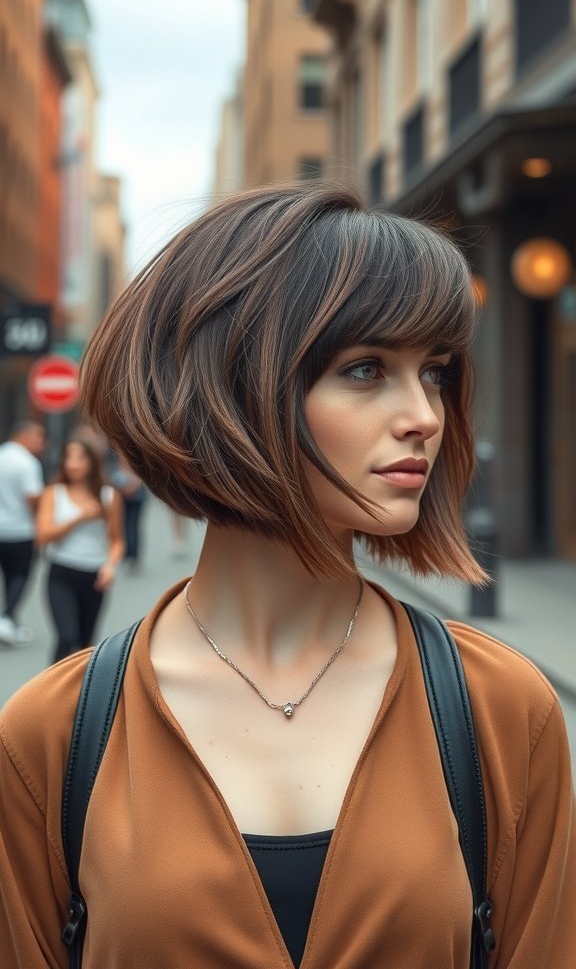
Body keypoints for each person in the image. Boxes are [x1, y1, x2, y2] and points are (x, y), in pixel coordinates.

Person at [0, 183, 574, 968]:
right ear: (232, 385)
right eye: (368, 368)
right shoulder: (54, 735)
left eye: (434, 371)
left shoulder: (501, 712)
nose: (425, 415)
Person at [35, 437, 124, 663]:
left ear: (92, 462)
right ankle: (50, 691)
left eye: (80, 458)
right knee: (66, 637)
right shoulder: (54, 493)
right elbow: (43, 536)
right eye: (69, 457)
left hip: (94, 576)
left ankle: (82, 694)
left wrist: (110, 566)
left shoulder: (108, 496)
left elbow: (117, 540)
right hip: (61, 572)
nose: (74, 463)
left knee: (86, 643)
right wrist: (79, 517)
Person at [0, 419, 45, 645]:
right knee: (20, 576)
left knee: (7, 576)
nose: (42, 444)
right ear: (24, 436)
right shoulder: (27, 463)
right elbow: (33, 498)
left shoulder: (2, 456)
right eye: (39, 437)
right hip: (21, 530)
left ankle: (10, 620)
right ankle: (7, 618)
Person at [109, 453, 148, 570]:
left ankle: (134, 555)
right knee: (123, 524)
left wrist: (134, 486)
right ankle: (125, 552)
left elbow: (144, 479)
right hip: (121, 499)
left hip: (137, 498)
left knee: (134, 525)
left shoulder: (138, 462)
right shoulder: (114, 463)